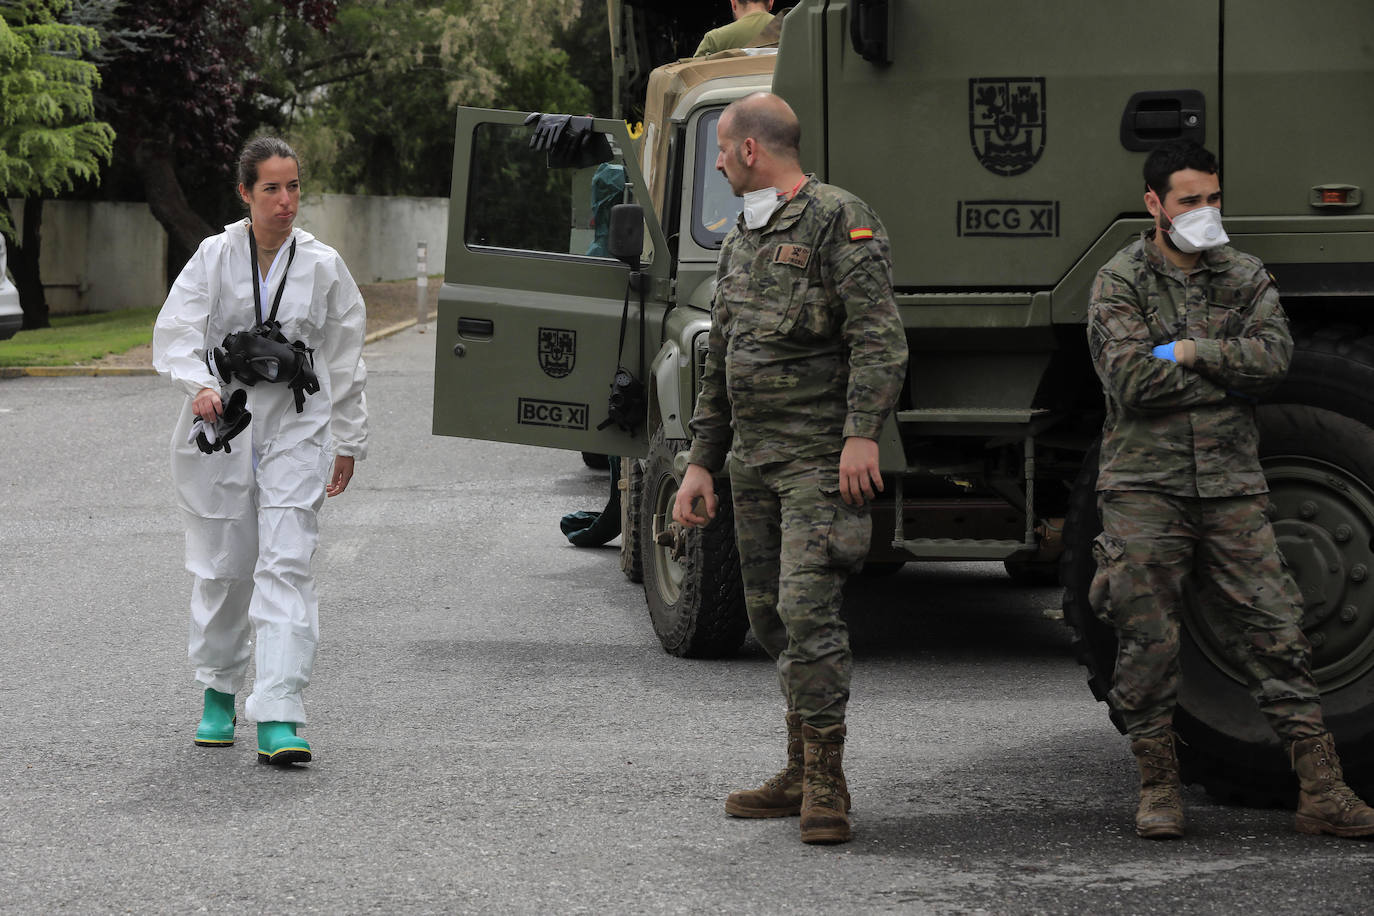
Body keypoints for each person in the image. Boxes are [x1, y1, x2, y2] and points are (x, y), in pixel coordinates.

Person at [1087, 139, 1374, 839]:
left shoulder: (1243, 274)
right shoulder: (1119, 280)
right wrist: (1223, 371)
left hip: (1231, 487)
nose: (1206, 212)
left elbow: (1274, 361)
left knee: (1278, 631)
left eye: (1214, 198)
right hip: (1145, 487)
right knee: (1146, 635)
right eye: (1191, 200)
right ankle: (1158, 788)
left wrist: (1190, 350)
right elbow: (1130, 378)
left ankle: (1322, 789)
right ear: (1154, 203)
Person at [672, 92, 908, 845]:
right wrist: (701, 463)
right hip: (753, 464)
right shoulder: (742, 238)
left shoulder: (840, 218)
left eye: (720, 148)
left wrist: (861, 434)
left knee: (809, 613)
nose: (715, 161)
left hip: (817, 462)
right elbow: (721, 362)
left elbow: (879, 337)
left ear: (750, 150)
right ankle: (798, 770)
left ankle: (828, 786)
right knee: (770, 615)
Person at [152, 136, 368, 766]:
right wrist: (198, 385)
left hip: (298, 424)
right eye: (271, 188)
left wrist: (349, 439)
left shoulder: (323, 265)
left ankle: (280, 709)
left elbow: (347, 359)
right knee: (225, 565)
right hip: (226, 423)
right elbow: (176, 331)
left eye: (294, 186)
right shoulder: (215, 256)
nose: (285, 201)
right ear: (245, 193)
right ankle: (217, 690)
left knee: (288, 558)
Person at [694, 0, 774, 57]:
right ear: (771, 2)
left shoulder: (714, 39)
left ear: (733, 3)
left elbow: (692, 75)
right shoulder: (785, 31)